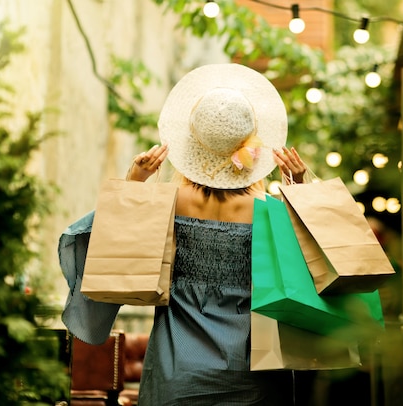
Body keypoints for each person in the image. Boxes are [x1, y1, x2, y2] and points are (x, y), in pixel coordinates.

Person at [124, 63, 309, 405]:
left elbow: (112, 233)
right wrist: (300, 188)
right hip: (254, 370)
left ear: (191, 146)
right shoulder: (271, 209)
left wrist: (134, 181)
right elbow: (311, 263)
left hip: (178, 369)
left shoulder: (169, 202)